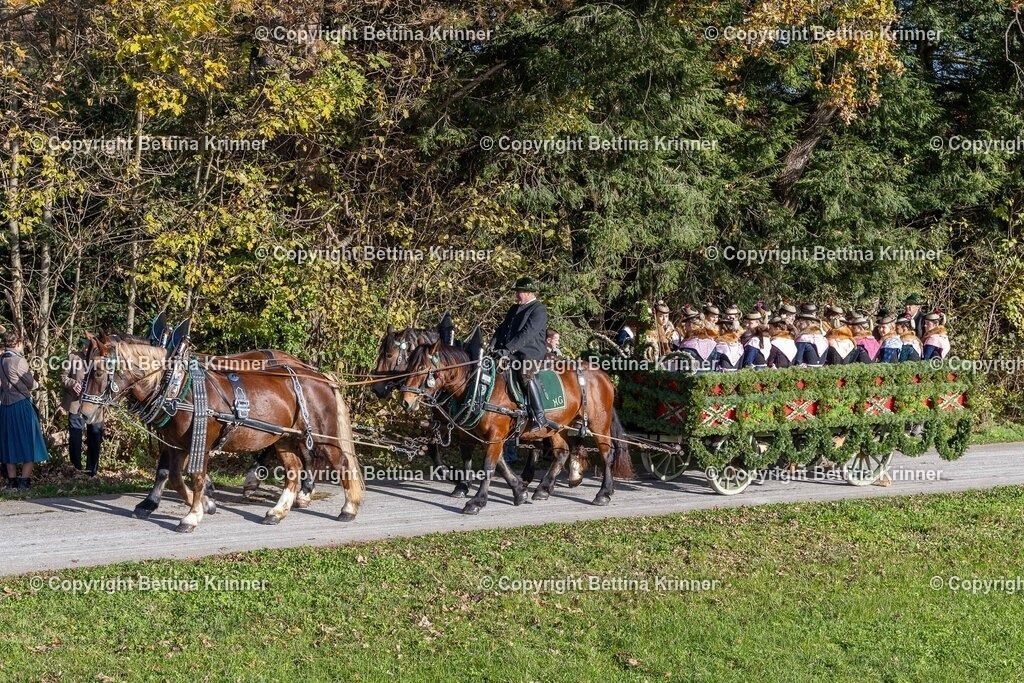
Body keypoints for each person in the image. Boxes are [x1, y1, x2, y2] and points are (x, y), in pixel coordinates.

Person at [492, 276, 559, 432]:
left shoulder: (538, 310)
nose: (516, 295)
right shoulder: (514, 309)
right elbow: (502, 329)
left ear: (529, 292)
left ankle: (539, 416)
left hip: (530, 353)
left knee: (525, 373)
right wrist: (493, 345)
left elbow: (526, 333)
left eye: (519, 292)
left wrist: (508, 349)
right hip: (511, 351)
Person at [0, 330, 49, 489]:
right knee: (30, 441)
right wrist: (39, 385)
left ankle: (11, 482)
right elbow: (29, 383)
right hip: (21, 405)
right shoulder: (19, 361)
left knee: (9, 443)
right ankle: (24, 482)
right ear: (18, 343)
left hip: (6, 406)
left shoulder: (1, 360)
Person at [62, 344, 105, 476]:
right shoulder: (73, 357)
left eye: (89, 347)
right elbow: (63, 377)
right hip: (76, 404)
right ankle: (76, 469)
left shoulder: (101, 359)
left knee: (95, 436)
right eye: (85, 346)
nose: (86, 349)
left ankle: (92, 471)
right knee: (75, 438)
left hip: (95, 406)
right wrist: (73, 384)